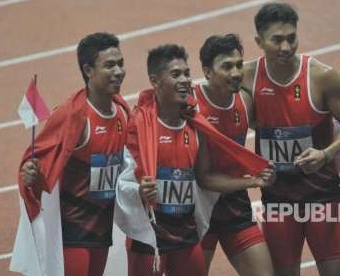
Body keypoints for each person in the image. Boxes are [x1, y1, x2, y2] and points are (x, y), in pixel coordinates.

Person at [114, 44, 276, 276]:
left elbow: (205, 177)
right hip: (150, 238)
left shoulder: (196, 126)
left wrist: (254, 181)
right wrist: (140, 191)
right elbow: (123, 181)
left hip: (186, 236)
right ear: (155, 80)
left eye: (187, 73)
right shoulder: (140, 125)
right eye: (176, 74)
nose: (184, 80)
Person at [241, 3, 340, 276]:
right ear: (259, 41)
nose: (286, 47)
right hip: (277, 201)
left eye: (291, 38)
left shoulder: (322, 76)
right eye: (277, 40)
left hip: (322, 197)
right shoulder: (246, 78)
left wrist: (326, 154)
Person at [18, 32, 129, 276]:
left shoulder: (122, 112)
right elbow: (38, 160)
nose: (119, 71)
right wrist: (30, 175)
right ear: (88, 70)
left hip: (102, 230)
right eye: (109, 65)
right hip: (73, 233)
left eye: (120, 63)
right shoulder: (72, 115)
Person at [194, 34, 274, 276]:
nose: (236, 72)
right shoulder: (191, 105)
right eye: (227, 66)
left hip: (234, 206)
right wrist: (252, 181)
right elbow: (203, 178)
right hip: (197, 210)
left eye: (239, 64)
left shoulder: (245, 102)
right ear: (207, 72)